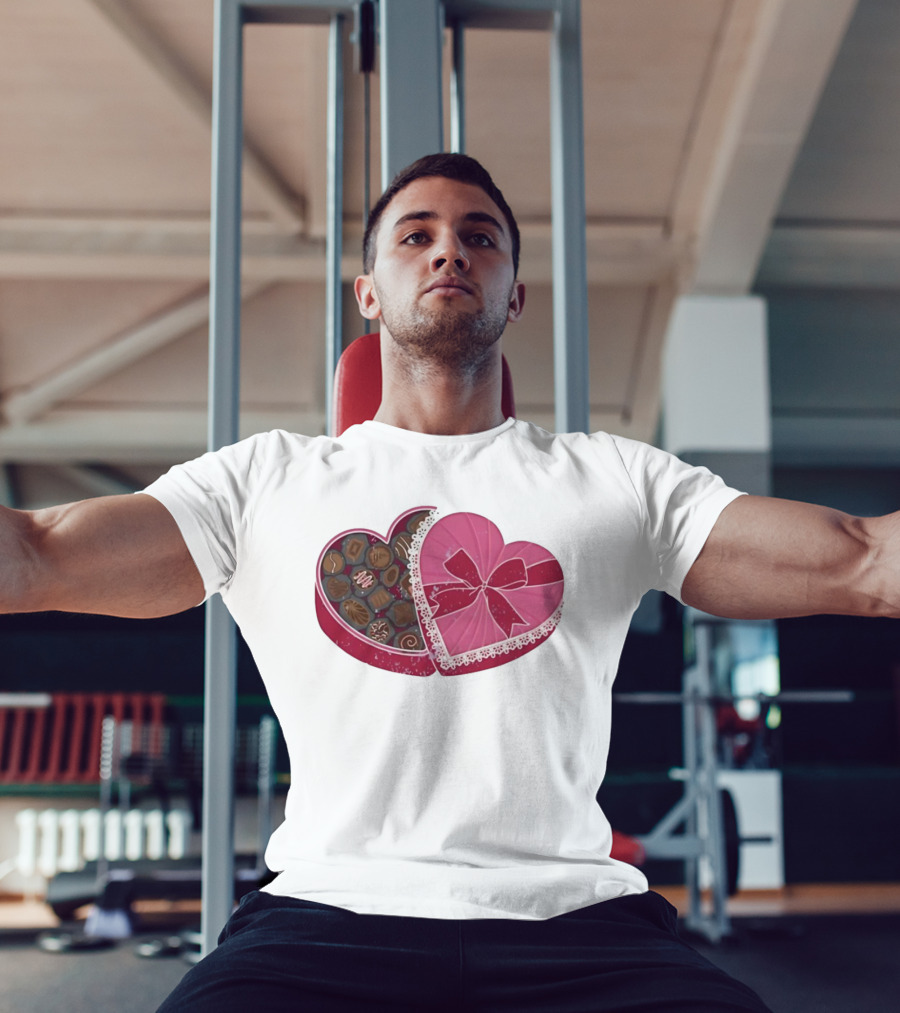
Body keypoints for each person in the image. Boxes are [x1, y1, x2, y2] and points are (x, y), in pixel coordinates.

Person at [3, 153, 898, 1012]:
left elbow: (861, 559)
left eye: (479, 236)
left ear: (516, 294)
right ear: (367, 293)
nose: (448, 252)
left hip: (575, 919)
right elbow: (41, 553)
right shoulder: (263, 481)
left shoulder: (613, 479)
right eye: (416, 235)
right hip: (326, 912)